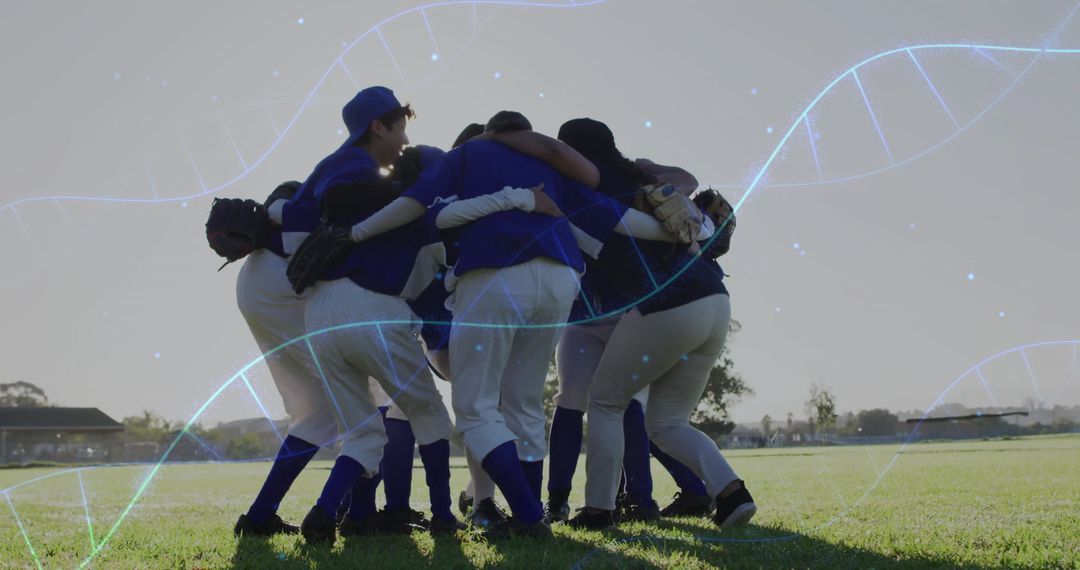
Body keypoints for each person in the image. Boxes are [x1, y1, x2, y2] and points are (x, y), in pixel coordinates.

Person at [342, 111, 711, 536]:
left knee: (476, 408)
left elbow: (417, 208)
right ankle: (526, 509)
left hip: (494, 276)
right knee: (524, 403)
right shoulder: (548, 166)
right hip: (559, 281)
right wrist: (697, 229)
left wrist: (355, 234)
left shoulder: (464, 156)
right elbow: (617, 219)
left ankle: (521, 512)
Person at [552, 119, 755, 530]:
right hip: (714, 301)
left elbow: (613, 227)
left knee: (605, 402)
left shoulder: (586, 194)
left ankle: (597, 511)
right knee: (665, 423)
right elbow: (694, 199)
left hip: (670, 302)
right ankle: (732, 494)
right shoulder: (639, 179)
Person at [231, 180, 339, 537]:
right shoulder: (297, 226)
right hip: (278, 294)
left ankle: (260, 516)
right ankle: (352, 510)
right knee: (359, 401)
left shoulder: (264, 242)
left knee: (317, 412)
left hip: (255, 291)